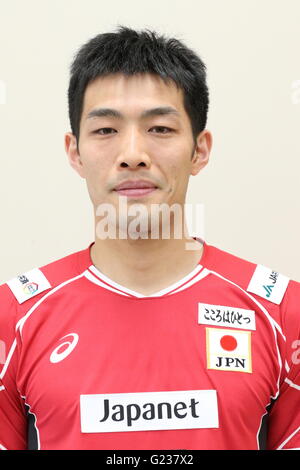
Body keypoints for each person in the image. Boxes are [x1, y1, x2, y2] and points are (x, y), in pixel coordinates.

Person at [0, 26, 299, 451]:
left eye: (160, 128)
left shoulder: (285, 314)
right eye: (106, 130)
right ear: (74, 152)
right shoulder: (12, 317)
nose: (133, 154)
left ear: (200, 150)